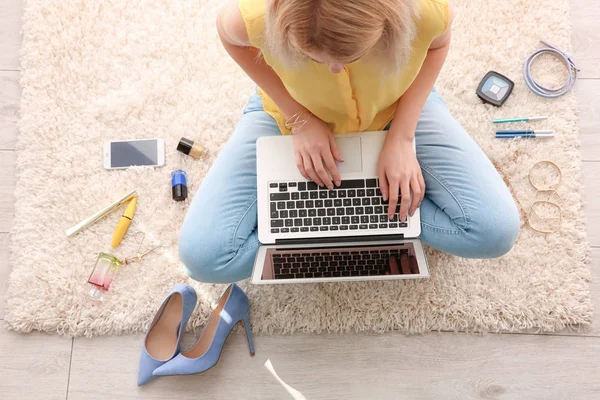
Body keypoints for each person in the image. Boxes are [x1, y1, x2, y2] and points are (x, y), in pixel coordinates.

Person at [179, 0, 521, 283]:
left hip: (395, 107)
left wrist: (402, 137)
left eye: (351, 58)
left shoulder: (424, 9)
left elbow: (439, 44)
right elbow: (230, 39)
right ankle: (374, 221)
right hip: (289, 114)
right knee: (205, 258)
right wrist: (299, 119)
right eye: (312, 57)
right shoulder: (251, 16)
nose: (332, 69)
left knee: (495, 232)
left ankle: (357, 220)